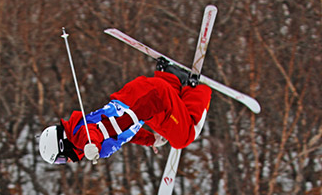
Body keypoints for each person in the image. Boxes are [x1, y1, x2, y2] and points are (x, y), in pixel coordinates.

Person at [39, 62, 212, 163]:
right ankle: (170, 76)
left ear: (63, 145)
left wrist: (91, 143)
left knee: (184, 137)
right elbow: (120, 131)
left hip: (152, 99)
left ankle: (196, 89)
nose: (67, 162)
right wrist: (150, 139)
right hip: (141, 100)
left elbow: (94, 133)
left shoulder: (82, 137)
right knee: (165, 128)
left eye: (62, 159)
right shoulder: (82, 130)